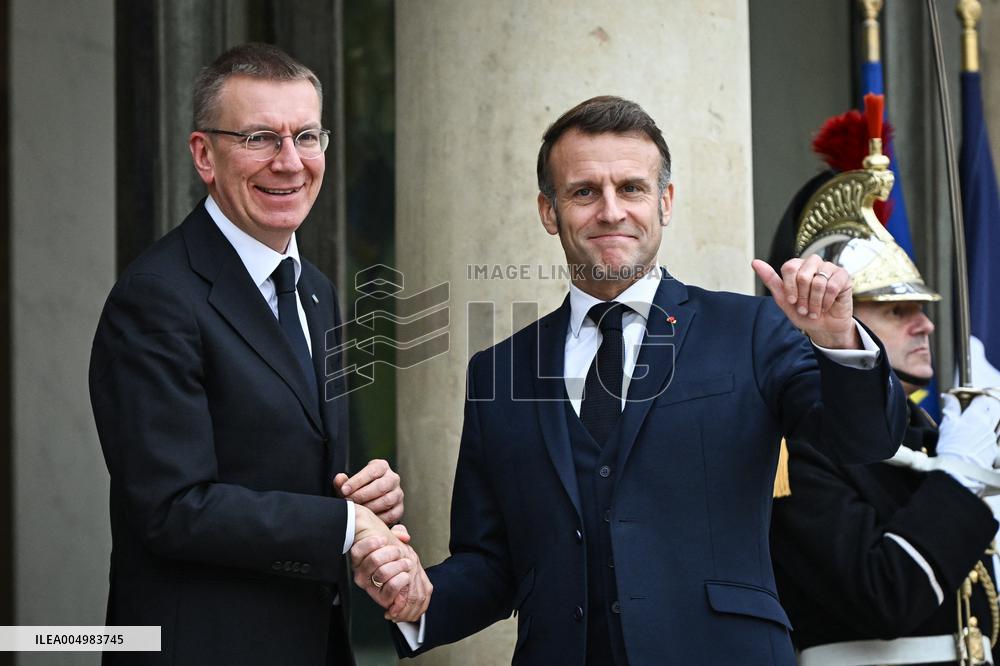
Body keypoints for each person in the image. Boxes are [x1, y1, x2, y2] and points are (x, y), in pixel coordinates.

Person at [351, 95, 908, 665]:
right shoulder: (499, 370)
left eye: (632, 189)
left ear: (665, 202)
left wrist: (838, 340)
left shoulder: (752, 329)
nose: (611, 211)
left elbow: (863, 442)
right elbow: (493, 564)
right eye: (584, 191)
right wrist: (416, 596)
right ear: (549, 211)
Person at [89, 43, 425, 665]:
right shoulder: (156, 299)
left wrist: (360, 501)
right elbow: (172, 508)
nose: (290, 162)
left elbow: (294, 469)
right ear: (203, 155)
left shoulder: (317, 291)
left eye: (306, 136)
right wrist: (344, 528)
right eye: (260, 138)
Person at [769, 108, 1000, 666]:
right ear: (834, 313)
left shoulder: (926, 434)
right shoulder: (795, 443)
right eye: (898, 311)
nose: (926, 326)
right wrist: (962, 480)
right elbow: (882, 596)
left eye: (921, 309)